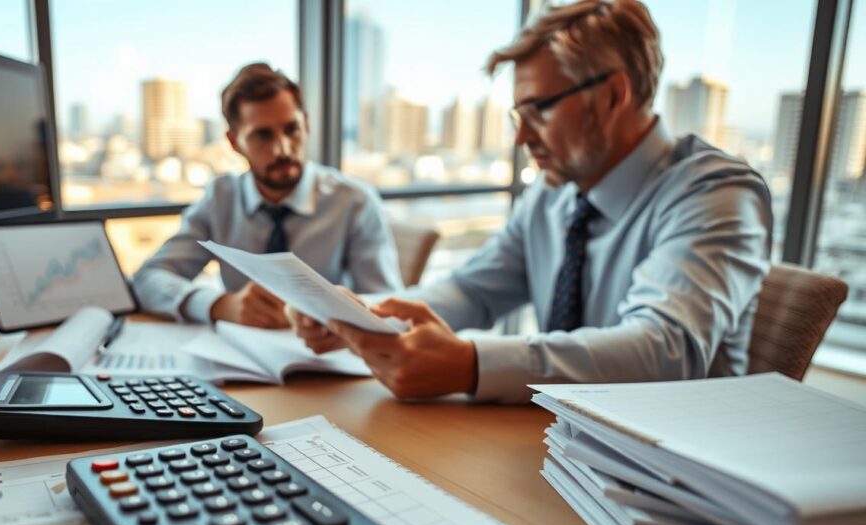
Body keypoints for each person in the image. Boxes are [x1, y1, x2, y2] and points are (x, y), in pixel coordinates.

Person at [290, 0, 772, 403]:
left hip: (673, 478)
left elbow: (664, 350)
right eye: (516, 115)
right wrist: (359, 315)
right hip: (561, 446)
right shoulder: (551, 197)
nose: (521, 135)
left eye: (538, 109)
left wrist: (473, 365)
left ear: (613, 95)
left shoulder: (716, 193)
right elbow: (473, 291)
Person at [133, 63, 402, 328]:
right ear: (234, 142)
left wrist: (336, 314)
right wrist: (220, 306)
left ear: (306, 125)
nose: (283, 149)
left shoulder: (354, 202)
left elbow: (388, 305)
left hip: (333, 358)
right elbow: (148, 279)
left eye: (291, 129)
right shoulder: (221, 199)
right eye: (263, 135)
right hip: (241, 357)